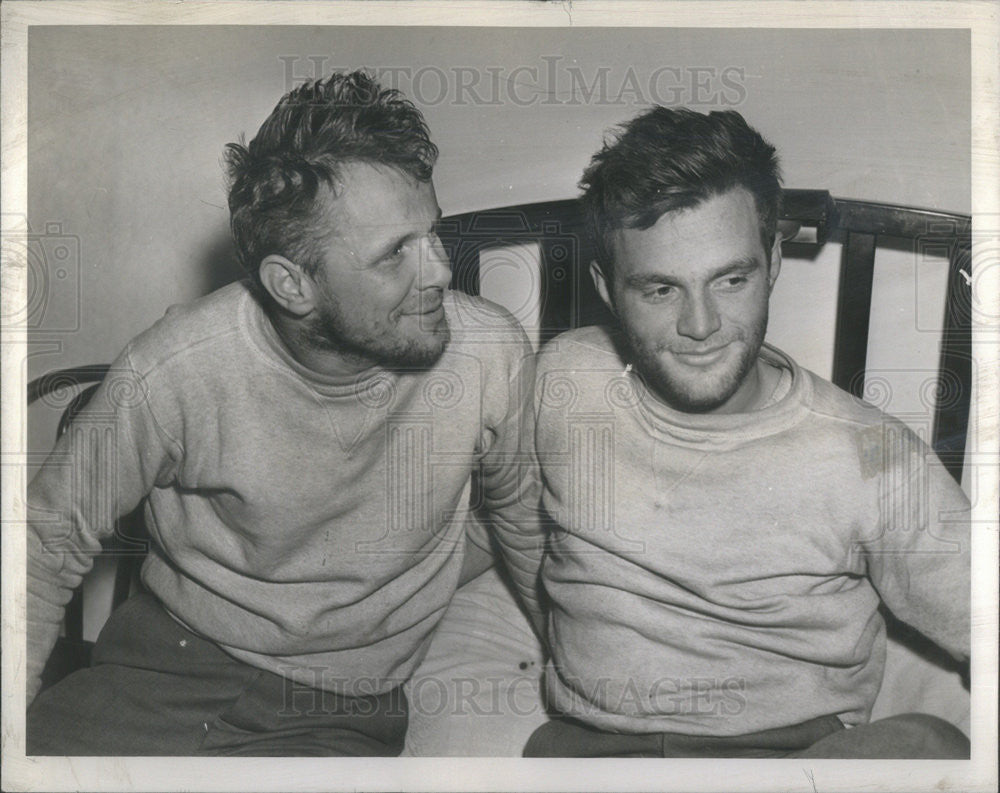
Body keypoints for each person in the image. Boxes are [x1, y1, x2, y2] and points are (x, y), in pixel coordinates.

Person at [26, 71, 543, 756]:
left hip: (334, 712)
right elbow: (44, 543)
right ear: (292, 284)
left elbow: (524, 521)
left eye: (432, 233)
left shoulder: (489, 354)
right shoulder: (175, 367)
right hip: (162, 665)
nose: (442, 272)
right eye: (396, 254)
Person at [524, 107, 971, 758]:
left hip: (792, 760)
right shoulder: (565, 379)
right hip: (594, 753)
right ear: (607, 290)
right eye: (659, 290)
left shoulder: (873, 455)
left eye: (731, 279)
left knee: (931, 744)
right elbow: (481, 525)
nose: (701, 324)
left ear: (774, 262)